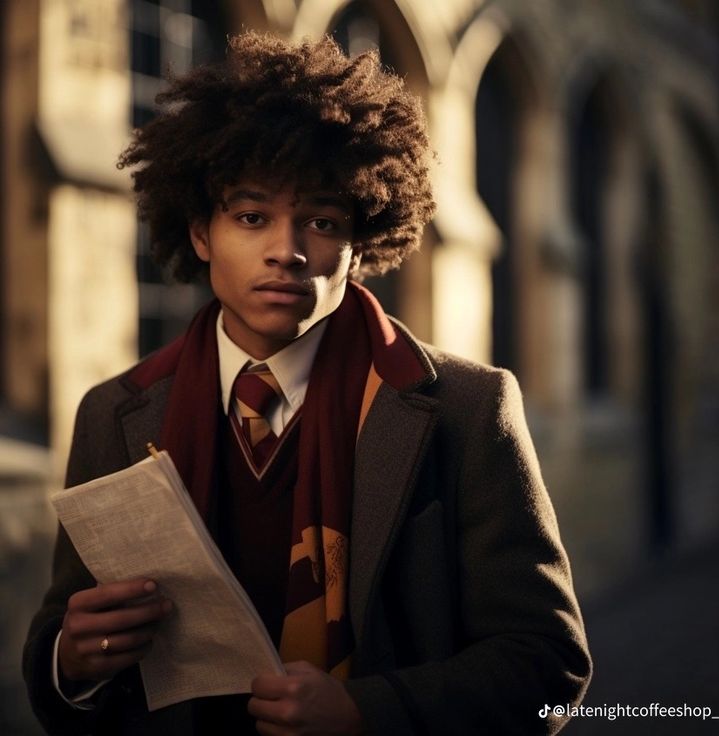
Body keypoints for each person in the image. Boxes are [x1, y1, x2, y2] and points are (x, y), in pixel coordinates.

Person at [24, 31, 591, 736]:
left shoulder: (467, 409)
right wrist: (69, 663)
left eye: (321, 221)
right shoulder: (114, 412)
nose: (286, 251)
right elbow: (66, 652)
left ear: (361, 242)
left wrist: (368, 712)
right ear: (201, 231)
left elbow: (547, 666)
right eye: (251, 216)